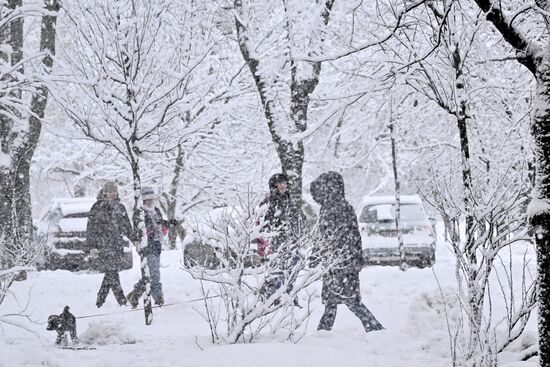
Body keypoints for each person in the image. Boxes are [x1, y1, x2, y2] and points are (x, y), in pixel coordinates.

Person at [309, 171, 384, 333]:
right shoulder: (330, 208)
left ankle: (375, 329)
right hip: (335, 263)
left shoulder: (340, 208)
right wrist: (316, 254)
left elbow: (351, 235)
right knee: (333, 302)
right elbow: (323, 236)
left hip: (342, 263)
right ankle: (323, 333)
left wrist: (354, 258)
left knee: (349, 301)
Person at [87, 181, 136, 308]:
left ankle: (100, 300)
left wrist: (135, 239)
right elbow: (91, 228)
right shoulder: (97, 207)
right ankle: (121, 301)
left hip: (116, 245)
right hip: (102, 245)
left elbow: (127, 227)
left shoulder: (120, 208)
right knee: (112, 272)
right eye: (110, 191)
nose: (113, 194)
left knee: (111, 273)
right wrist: (91, 246)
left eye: (114, 191)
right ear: (105, 193)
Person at [257, 173, 301, 306]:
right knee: (276, 274)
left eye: (285, 183)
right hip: (274, 244)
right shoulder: (268, 202)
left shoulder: (287, 200)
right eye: (280, 183)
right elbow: (261, 225)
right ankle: (270, 300)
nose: (283, 185)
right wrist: (266, 245)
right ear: (274, 185)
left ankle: (290, 299)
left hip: (289, 243)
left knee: (291, 272)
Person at [127, 187, 174, 308]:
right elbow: (138, 230)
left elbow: (161, 228)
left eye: (151, 199)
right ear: (142, 200)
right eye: (147, 200)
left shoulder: (155, 210)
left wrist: (167, 224)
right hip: (147, 247)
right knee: (154, 274)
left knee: (150, 274)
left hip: (156, 245)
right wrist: (149, 231)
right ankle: (158, 298)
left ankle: (135, 295)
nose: (150, 202)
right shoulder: (139, 213)